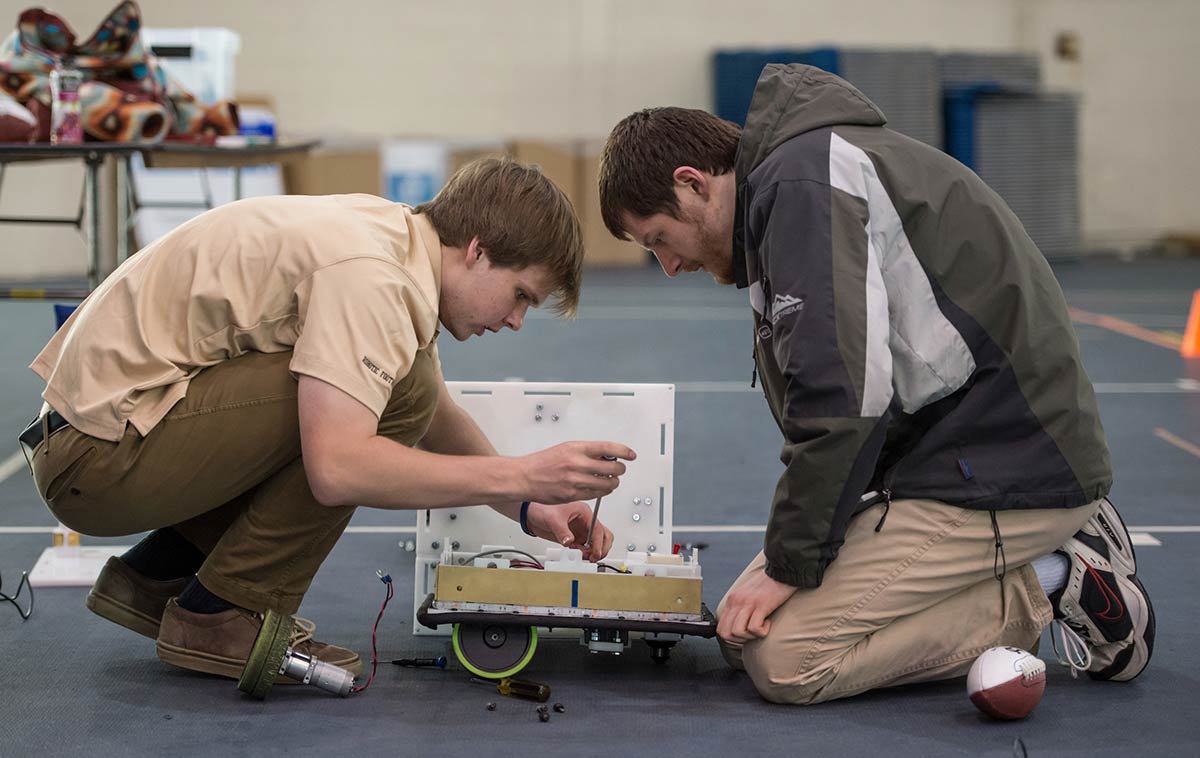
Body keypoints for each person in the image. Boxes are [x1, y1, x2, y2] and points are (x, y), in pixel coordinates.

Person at [597, 64, 1153, 704]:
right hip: (947, 457)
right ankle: (1025, 560)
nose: (668, 267)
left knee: (787, 661)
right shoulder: (800, 177)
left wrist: (789, 565)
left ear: (691, 184)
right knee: (741, 630)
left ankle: (1056, 578)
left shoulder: (802, 184)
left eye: (660, 240)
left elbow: (842, 400)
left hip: (1009, 464)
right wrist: (794, 562)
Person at [20, 158, 635, 681]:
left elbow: (436, 415)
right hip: (97, 458)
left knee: (406, 388)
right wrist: (523, 476)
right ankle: (221, 615)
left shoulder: (393, 239)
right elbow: (340, 469)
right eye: (522, 295)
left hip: (98, 438)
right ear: (478, 251)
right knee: (384, 403)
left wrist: (530, 510)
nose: (516, 320)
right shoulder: (373, 275)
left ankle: (158, 577)